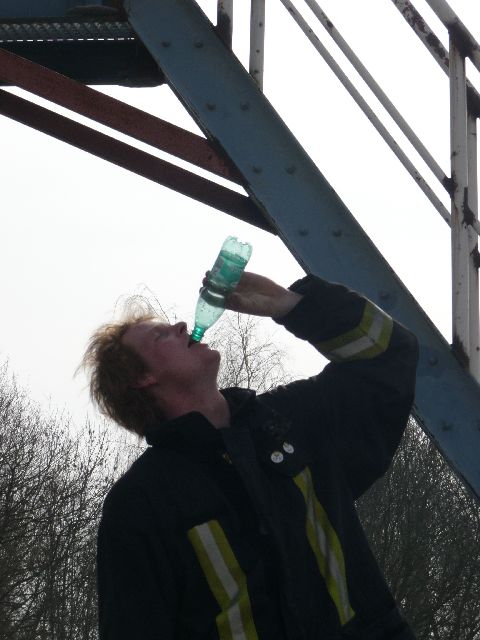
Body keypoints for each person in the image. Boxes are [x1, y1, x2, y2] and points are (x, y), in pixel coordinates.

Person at [82, 271, 419, 640]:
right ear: (141, 378)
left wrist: (291, 305)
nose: (181, 326)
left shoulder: (294, 419)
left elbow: (388, 356)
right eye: (160, 335)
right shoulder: (141, 503)